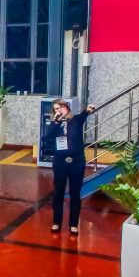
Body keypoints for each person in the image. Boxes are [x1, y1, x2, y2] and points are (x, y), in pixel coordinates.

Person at [46, 99, 96, 234]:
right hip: (60, 162)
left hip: (77, 162)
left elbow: (85, 113)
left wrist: (89, 108)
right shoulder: (55, 124)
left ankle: (73, 224)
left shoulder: (76, 120)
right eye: (56, 109)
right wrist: (56, 121)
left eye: (61, 107)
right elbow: (48, 137)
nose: (59, 110)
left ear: (67, 107)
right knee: (58, 193)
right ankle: (56, 222)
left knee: (75, 193)